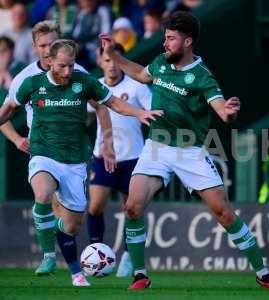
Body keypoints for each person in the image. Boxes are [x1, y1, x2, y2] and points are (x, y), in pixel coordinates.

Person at [100, 11, 269, 290]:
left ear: (188, 42)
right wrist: (114, 56)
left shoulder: (202, 77)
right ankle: (140, 275)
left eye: (171, 39)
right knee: (132, 207)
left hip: (190, 152)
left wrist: (231, 113)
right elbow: (141, 74)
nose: (165, 44)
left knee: (223, 213)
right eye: (165, 38)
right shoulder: (161, 63)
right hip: (156, 147)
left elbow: (222, 112)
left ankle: (264, 274)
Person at [0, 39, 162, 286]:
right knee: (43, 194)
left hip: (75, 161)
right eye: (62, 66)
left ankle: (49, 225)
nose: (67, 72)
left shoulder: (84, 81)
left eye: (71, 66)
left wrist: (139, 113)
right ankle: (48, 256)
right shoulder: (32, 84)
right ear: (50, 61)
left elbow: (113, 104)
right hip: (44, 153)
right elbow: (9, 108)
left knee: (73, 226)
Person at [87, 43, 152, 278]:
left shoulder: (136, 86)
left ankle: (127, 255)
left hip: (133, 157)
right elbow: (84, 117)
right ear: (100, 62)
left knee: (132, 209)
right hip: (102, 156)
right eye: (106, 60)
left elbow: (152, 111)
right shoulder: (95, 87)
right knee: (94, 206)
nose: (112, 65)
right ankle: (96, 249)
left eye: (115, 60)